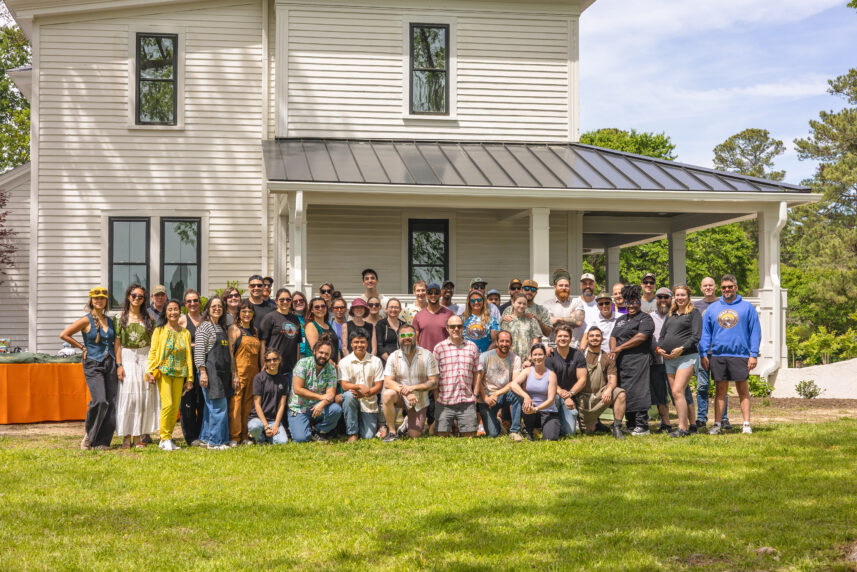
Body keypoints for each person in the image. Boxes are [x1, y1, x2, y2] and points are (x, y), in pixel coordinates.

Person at [699, 274, 761, 435]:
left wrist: (753, 354)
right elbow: (706, 333)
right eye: (724, 287)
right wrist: (703, 353)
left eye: (730, 287)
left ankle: (746, 424)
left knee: (743, 390)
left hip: (740, 355)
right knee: (720, 392)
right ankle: (717, 425)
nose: (727, 290)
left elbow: (755, 332)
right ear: (721, 289)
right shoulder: (713, 308)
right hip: (718, 355)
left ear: (736, 287)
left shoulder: (747, 307)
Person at [60, 286, 118, 450]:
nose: (99, 301)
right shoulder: (86, 320)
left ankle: (102, 442)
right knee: (100, 401)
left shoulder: (110, 321)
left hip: (110, 363)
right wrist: (82, 347)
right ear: (91, 301)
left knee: (111, 403)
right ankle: (90, 435)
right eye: (96, 298)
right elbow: (64, 334)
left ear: (106, 301)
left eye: (102, 298)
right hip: (93, 363)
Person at [145, 300, 194, 451]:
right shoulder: (159, 331)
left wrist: (190, 378)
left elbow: (188, 356)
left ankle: (168, 438)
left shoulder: (185, 333)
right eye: (170, 309)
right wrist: (149, 370)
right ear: (165, 313)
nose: (173, 312)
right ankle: (164, 437)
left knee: (175, 406)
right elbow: (153, 351)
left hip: (180, 373)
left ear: (180, 312)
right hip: (164, 372)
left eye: (176, 309)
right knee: (167, 404)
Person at [114, 284, 158, 449]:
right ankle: (126, 436)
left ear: (144, 300)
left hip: (145, 358)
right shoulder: (120, 318)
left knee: (142, 398)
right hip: (128, 358)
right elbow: (117, 344)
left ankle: (138, 436)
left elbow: (153, 344)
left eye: (140, 296)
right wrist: (119, 365)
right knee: (128, 398)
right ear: (128, 296)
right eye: (134, 295)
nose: (137, 298)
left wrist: (152, 367)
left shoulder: (149, 319)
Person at [657, 285, 702, 438]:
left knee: (677, 391)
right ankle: (689, 426)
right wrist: (659, 349)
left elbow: (696, 336)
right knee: (677, 394)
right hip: (669, 359)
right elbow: (662, 336)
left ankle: (682, 428)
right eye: (677, 295)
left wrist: (681, 348)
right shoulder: (671, 314)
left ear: (688, 297)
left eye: (683, 295)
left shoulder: (694, 313)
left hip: (687, 357)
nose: (680, 298)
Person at [609, 285, 654, 436]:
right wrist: (613, 350)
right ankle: (630, 423)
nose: (631, 306)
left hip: (639, 360)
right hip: (622, 362)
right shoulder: (621, 320)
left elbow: (641, 337)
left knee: (639, 392)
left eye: (634, 302)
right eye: (628, 302)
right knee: (625, 391)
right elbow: (613, 336)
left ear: (640, 302)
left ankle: (642, 425)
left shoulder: (645, 318)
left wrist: (619, 348)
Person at [381, 324, 438, 441]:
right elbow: (387, 382)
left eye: (410, 335)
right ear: (398, 338)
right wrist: (407, 392)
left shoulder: (427, 355)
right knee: (387, 395)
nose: (406, 338)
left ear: (415, 337)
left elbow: (434, 382)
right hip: (400, 396)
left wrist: (413, 388)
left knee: (414, 435)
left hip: (419, 399)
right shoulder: (393, 356)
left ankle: (407, 424)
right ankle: (392, 432)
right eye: (403, 335)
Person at [566, 328, 626, 439]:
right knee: (588, 431)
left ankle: (617, 427)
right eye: (592, 336)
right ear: (587, 339)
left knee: (621, 394)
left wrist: (609, 390)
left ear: (602, 339)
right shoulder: (578, 355)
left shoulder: (608, 357)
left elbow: (612, 379)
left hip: (599, 396)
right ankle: (593, 423)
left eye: (598, 336)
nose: (595, 338)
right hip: (581, 399)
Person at [194, 297, 236, 450]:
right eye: (214, 306)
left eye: (220, 306)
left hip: (222, 373)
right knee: (218, 407)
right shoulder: (204, 327)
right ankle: (216, 442)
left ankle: (206, 438)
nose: (217, 308)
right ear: (208, 309)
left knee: (210, 408)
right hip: (210, 372)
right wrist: (202, 372)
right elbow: (199, 352)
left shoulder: (221, 327)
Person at [433, 315, 482, 437]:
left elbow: (477, 371)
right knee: (441, 435)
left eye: (459, 326)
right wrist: (436, 397)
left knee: (470, 436)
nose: (456, 329)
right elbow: (434, 375)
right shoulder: (439, 348)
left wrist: (475, 394)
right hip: (444, 401)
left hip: (466, 401)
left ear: (463, 328)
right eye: (452, 326)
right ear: (447, 328)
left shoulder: (472, 347)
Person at [288, 337, 343, 442]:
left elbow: (331, 394)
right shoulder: (303, 363)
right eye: (321, 352)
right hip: (299, 407)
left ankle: (318, 431)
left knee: (336, 410)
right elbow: (297, 389)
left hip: (318, 407)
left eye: (327, 354)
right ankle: (303, 428)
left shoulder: (331, 368)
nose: (323, 356)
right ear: (314, 351)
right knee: (301, 439)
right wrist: (321, 397)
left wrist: (322, 403)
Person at [694, 276, 730, 429]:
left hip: (719, 351)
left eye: (710, 285)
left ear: (715, 287)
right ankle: (701, 417)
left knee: (721, 387)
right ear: (701, 288)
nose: (708, 288)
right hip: (702, 351)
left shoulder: (723, 304)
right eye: (705, 286)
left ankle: (723, 418)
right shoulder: (695, 307)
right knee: (702, 386)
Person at [476, 331, 523, 441]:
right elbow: (478, 380)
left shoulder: (515, 359)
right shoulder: (485, 357)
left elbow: (514, 383)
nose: (504, 344)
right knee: (493, 434)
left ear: (511, 343)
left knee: (517, 394)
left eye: (507, 341)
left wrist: (497, 393)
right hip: (487, 396)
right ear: (496, 342)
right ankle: (498, 422)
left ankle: (515, 431)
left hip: (504, 394)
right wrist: (485, 397)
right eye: (502, 341)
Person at [338, 332, 385, 442]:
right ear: (351, 344)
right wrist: (360, 387)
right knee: (348, 395)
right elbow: (344, 385)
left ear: (367, 344)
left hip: (369, 404)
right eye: (356, 342)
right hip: (353, 399)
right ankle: (352, 433)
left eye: (362, 342)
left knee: (368, 437)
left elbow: (379, 386)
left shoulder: (376, 361)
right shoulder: (344, 362)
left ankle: (363, 423)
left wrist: (366, 393)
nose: (359, 345)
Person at [509, 344, 560, 441]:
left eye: (540, 354)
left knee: (550, 438)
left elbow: (551, 400)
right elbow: (513, 384)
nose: (537, 357)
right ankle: (528, 430)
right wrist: (526, 396)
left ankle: (544, 428)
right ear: (531, 357)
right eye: (535, 355)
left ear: (545, 356)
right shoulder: (527, 371)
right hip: (530, 410)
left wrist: (536, 409)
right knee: (527, 408)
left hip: (548, 411)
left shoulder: (551, 374)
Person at [227, 300, 261, 446]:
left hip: (253, 373)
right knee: (236, 405)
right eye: (244, 311)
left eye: (250, 311)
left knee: (248, 405)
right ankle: (234, 437)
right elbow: (230, 354)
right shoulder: (234, 329)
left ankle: (245, 436)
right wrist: (234, 375)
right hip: (239, 373)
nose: (247, 314)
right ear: (239, 313)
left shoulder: (255, 331)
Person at [544, 324, 586, 437]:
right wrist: (563, 394)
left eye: (566, 336)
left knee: (569, 432)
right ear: (555, 338)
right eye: (560, 336)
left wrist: (570, 394)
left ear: (570, 338)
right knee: (554, 398)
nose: (563, 338)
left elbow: (582, 379)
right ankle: (550, 425)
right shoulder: (550, 356)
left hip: (571, 396)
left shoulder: (578, 355)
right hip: (554, 394)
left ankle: (561, 422)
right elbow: (549, 380)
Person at [178, 288, 205, 446]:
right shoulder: (182, 321)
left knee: (202, 401)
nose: (192, 303)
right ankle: (190, 436)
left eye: (195, 300)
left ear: (199, 302)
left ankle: (201, 433)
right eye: (189, 301)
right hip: (186, 366)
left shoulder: (205, 319)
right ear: (185, 304)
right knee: (187, 402)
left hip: (203, 366)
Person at [259, 288, 302, 384]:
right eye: (282, 300)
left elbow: (297, 344)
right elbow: (262, 343)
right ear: (276, 301)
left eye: (288, 299)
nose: (285, 302)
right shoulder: (270, 317)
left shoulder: (295, 319)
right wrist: (264, 363)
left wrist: (297, 364)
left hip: (291, 369)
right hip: (273, 367)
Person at [247, 350, 290, 444]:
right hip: (258, 419)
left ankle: (268, 436)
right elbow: (257, 404)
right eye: (268, 360)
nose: (272, 362)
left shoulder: (284, 380)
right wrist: (266, 426)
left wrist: (276, 425)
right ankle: (260, 440)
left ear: (279, 360)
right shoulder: (259, 378)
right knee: (254, 427)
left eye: (275, 359)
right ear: (265, 362)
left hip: (273, 420)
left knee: (283, 442)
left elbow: (282, 405)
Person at [649, 287, 674, 432]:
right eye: (660, 297)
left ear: (671, 299)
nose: (663, 300)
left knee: (678, 392)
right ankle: (666, 423)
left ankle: (687, 424)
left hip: (676, 360)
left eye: (666, 297)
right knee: (660, 393)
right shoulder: (650, 317)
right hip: (657, 360)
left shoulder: (677, 315)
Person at [412, 283, 454, 351]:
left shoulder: (449, 314)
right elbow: (415, 340)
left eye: (436, 293)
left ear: (440, 294)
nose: (433, 295)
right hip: (424, 355)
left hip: (444, 354)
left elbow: (454, 336)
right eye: (430, 293)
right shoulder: (418, 316)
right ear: (426, 295)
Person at [501, 292, 542, 360]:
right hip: (510, 358)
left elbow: (536, 339)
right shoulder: (507, 320)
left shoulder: (531, 320)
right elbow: (503, 341)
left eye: (524, 304)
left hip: (528, 359)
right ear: (513, 302)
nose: (522, 306)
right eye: (519, 303)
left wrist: (531, 357)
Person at [543, 270, 577, 344]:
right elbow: (548, 323)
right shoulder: (547, 304)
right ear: (555, 287)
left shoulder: (576, 302)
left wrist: (557, 319)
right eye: (561, 285)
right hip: (553, 345)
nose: (564, 288)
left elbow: (578, 321)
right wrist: (570, 319)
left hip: (572, 345)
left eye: (566, 286)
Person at [568, 273, 600, 348]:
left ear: (594, 285)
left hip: (595, 346)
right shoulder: (574, 303)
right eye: (584, 284)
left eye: (590, 284)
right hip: (576, 346)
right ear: (580, 285)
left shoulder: (601, 303)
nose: (587, 286)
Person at [462, 289, 499, 353]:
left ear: (483, 301)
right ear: (469, 302)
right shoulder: (462, 319)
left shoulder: (492, 319)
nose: (476, 302)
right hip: (466, 356)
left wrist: (485, 355)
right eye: (473, 300)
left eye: (479, 300)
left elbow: (495, 341)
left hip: (486, 356)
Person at [304, 296, 340, 362]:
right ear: (312, 310)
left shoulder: (328, 325)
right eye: (317, 307)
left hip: (333, 365)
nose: (320, 309)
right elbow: (317, 350)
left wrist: (339, 363)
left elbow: (336, 346)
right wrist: (334, 365)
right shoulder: (311, 326)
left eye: (323, 306)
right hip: (318, 365)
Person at [290, 291, 310, 357]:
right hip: (297, 353)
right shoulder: (290, 319)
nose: (298, 303)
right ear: (292, 304)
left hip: (310, 353)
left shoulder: (310, 317)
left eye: (301, 300)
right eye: (295, 301)